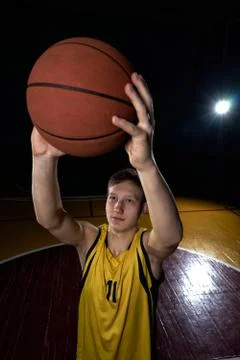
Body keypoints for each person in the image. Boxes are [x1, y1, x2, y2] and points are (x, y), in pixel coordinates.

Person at [31, 72, 183, 360]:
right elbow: (50, 219)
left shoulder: (146, 250)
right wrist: (42, 160)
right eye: (113, 198)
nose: (117, 207)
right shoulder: (90, 239)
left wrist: (146, 165)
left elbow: (171, 236)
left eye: (129, 201)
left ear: (143, 209)